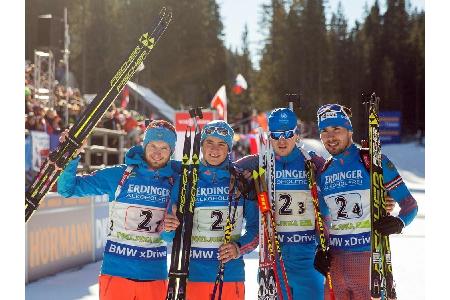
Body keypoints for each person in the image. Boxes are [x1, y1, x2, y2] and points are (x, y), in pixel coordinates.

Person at [57, 120, 179, 300]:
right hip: (116, 273)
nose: (157, 153)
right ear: (144, 145)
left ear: (171, 152)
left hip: (154, 275)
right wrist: (71, 155)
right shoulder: (121, 175)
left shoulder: (176, 182)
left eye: (164, 148)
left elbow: (169, 237)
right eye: (153, 145)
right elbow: (68, 189)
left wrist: (171, 226)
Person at [313, 104, 418, 299]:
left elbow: (410, 204)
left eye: (337, 129)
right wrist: (321, 248)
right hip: (335, 265)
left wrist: (399, 222)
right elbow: (324, 219)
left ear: (349, 131)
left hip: (369, 260)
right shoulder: (324, 172)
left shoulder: (373, 161)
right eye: (324, 131)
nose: (330, 137)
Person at [236, 108, 326, 299]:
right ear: (269, 136)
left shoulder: (312, 162)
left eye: (287, 134)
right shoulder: (258, 163)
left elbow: (341, 184)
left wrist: (384, 197)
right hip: (274, 257)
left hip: (308, 258)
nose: (282, 140)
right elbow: (221, 169)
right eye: (276, 135)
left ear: (297, 134)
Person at [165, 120, 259, 300]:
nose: (214, 150)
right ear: (201, 145)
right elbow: (166, 233)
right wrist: (168, 225)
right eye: (210, 142)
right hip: (193, 275)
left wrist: (238, 248)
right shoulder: (187, 179)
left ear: (229, 148)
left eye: (221, 144)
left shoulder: (241, 181)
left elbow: (256, 230)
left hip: (230, 275)